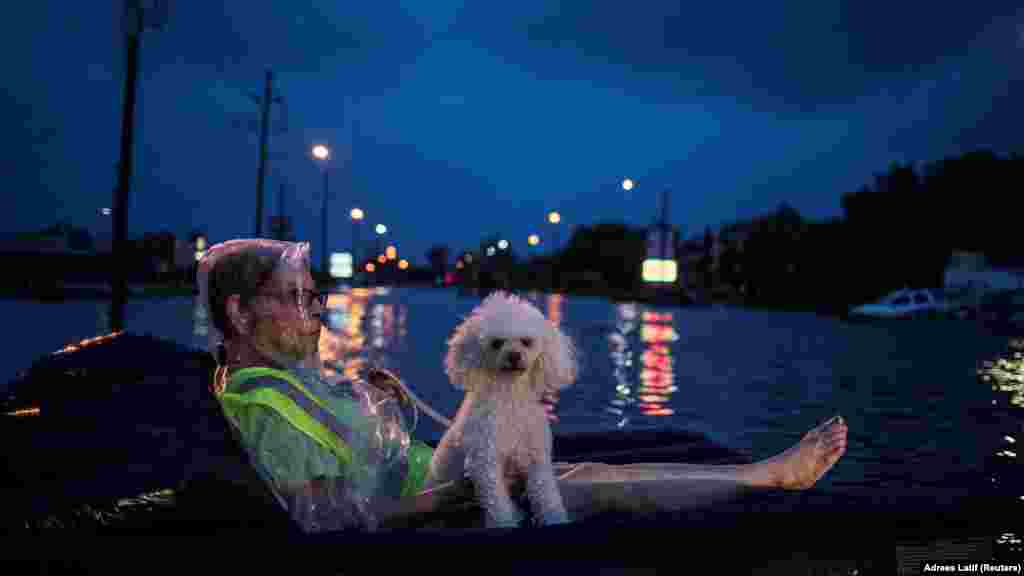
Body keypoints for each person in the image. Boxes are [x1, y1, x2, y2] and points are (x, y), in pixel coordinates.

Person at [197, 238, 848, 533]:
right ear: (239, 314)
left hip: (427, 478)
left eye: (314, 297)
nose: (315, 313)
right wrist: (454, 496)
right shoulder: (262, 405)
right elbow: (332, 519)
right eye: (296, 298)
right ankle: (764, 478)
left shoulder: (268, 382)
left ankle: (756, 475)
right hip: (431, 506)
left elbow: (341, 453)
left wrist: (369, 395)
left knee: (583, 467)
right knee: (587, 483)